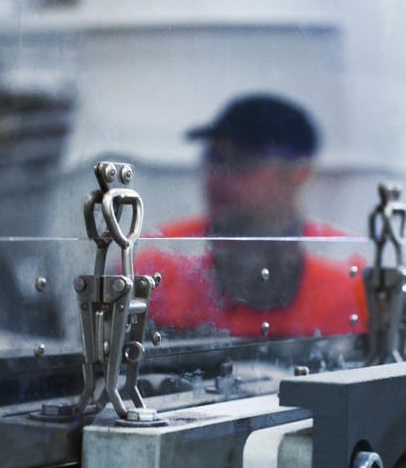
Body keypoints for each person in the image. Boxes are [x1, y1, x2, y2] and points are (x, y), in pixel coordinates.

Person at [135, 94, 367, 337]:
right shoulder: (154, 262)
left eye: (241, 160)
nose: (217, 175)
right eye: (213, 157)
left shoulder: (349, 276)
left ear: (299, 172)